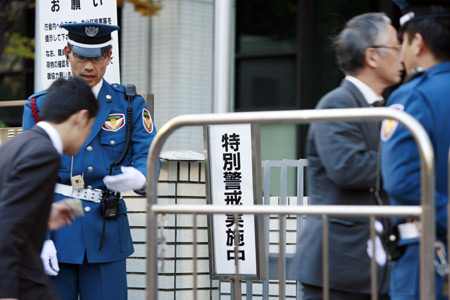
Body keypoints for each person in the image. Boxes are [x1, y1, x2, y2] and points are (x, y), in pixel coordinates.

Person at [22, 23, 158, 300]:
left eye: (97, 58)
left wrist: (142, 178)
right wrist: (40, 238)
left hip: (105, 231)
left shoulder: (129, 105)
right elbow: (31, 178)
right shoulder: (39, 106)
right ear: (67, 53)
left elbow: (148, 153)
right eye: (81, 56)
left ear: (109, 58)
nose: (88, 66)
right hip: (57, 230)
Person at [292, 12, 404, 299]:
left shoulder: (376, 107)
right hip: (338, 266)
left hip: (361, 261)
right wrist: (406, 162)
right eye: (396, 46)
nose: (402, 55)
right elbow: (349, 167)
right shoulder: (337, 103)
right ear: (372, 56)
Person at [0, 76, 99, 300]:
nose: (86, 139)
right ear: (81, 118)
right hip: (19, 283)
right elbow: (6, 227)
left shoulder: (18, 144)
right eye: (90, 127)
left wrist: (43, 217)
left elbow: (10, 211)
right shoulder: (44, 154)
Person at [381, 0, 450, 299]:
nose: (402, 56)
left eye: (402, 44)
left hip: (428, 255)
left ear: (418, 43)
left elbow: (402, 180)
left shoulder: (412, 96)